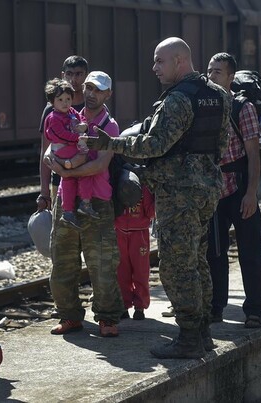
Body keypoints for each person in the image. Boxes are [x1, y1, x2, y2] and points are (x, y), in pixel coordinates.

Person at [83, 38, 230, 358]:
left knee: (177, 267)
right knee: (197, 261)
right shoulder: (219, 95)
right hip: (207, 190)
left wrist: (111, 144)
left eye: (159, 61)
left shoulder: (178, 99)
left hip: (179, 194)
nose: (154, 68)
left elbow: (154, 145)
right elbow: (221, 144)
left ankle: (190, 337)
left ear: (179, 61)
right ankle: (202, 333)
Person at [44, 71, 124, 338]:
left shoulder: (109, 126)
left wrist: (65, 172)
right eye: (88, 88)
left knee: (102, 264)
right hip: (65, 199)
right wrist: (50, 159)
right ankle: (69, 316)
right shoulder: (67, 114)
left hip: (98, 201)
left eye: (98, 90)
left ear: (108, 95)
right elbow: (49, 147)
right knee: (62, 261)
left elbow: (100, 164)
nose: (91, 94)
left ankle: (107, 317)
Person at [206, 52, 261, 328]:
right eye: (209, 71)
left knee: (251, 250)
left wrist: (251, 193)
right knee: (214, 253)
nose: (211, 76)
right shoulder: (206, 105)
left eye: (217, 72)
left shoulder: (242, 108)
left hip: (240, 187)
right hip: (213, 190)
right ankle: (215, 307)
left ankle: (255, 309)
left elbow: (254, 155)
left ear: (231, 77)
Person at [43, 77, 98, 229]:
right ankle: (74, 207)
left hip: (71, 148)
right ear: (52, 102)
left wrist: (83, 126)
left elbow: (81, 119)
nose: (65, 103)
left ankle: (77, 206)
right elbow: (60, 135)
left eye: (68, 99)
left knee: (76, 177)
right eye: (60, 99)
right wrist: (77, 137)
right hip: (62, 149)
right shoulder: (53, 117)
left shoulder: (72, 112)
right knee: (78, 172)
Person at [37, 55, 89, 212]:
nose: (74, 79)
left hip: (88, 178)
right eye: (69, 74)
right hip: (59, 180)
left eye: (79, 74)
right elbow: (45, 151)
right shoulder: (51, 110)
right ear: (62, 75)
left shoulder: (91, 104)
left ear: (86, 76)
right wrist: (44, 192)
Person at [116, 186, 155, 321]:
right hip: (124, 231)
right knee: (124, 271)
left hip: (137, 232)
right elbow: (151, 212)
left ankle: (138, 306)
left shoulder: (144, 186)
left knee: (139, 270)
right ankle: (128, 305)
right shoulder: (120, 181)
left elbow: (151, 211)